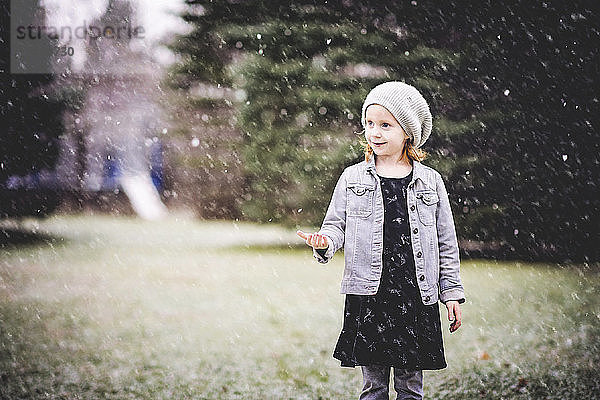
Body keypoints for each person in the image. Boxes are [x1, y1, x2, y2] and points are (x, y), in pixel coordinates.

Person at [297, 81, 465, 400]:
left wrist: (451, 293)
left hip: (415, 297)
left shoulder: (431, 181)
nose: (375, 132)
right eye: (370, 124)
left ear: (408, 133)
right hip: (370, 296)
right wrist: (324, 242)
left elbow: (446, 243)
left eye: (385, 125)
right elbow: (335, 227)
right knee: (374, 387)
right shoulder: (352, 178)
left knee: (410, 388)